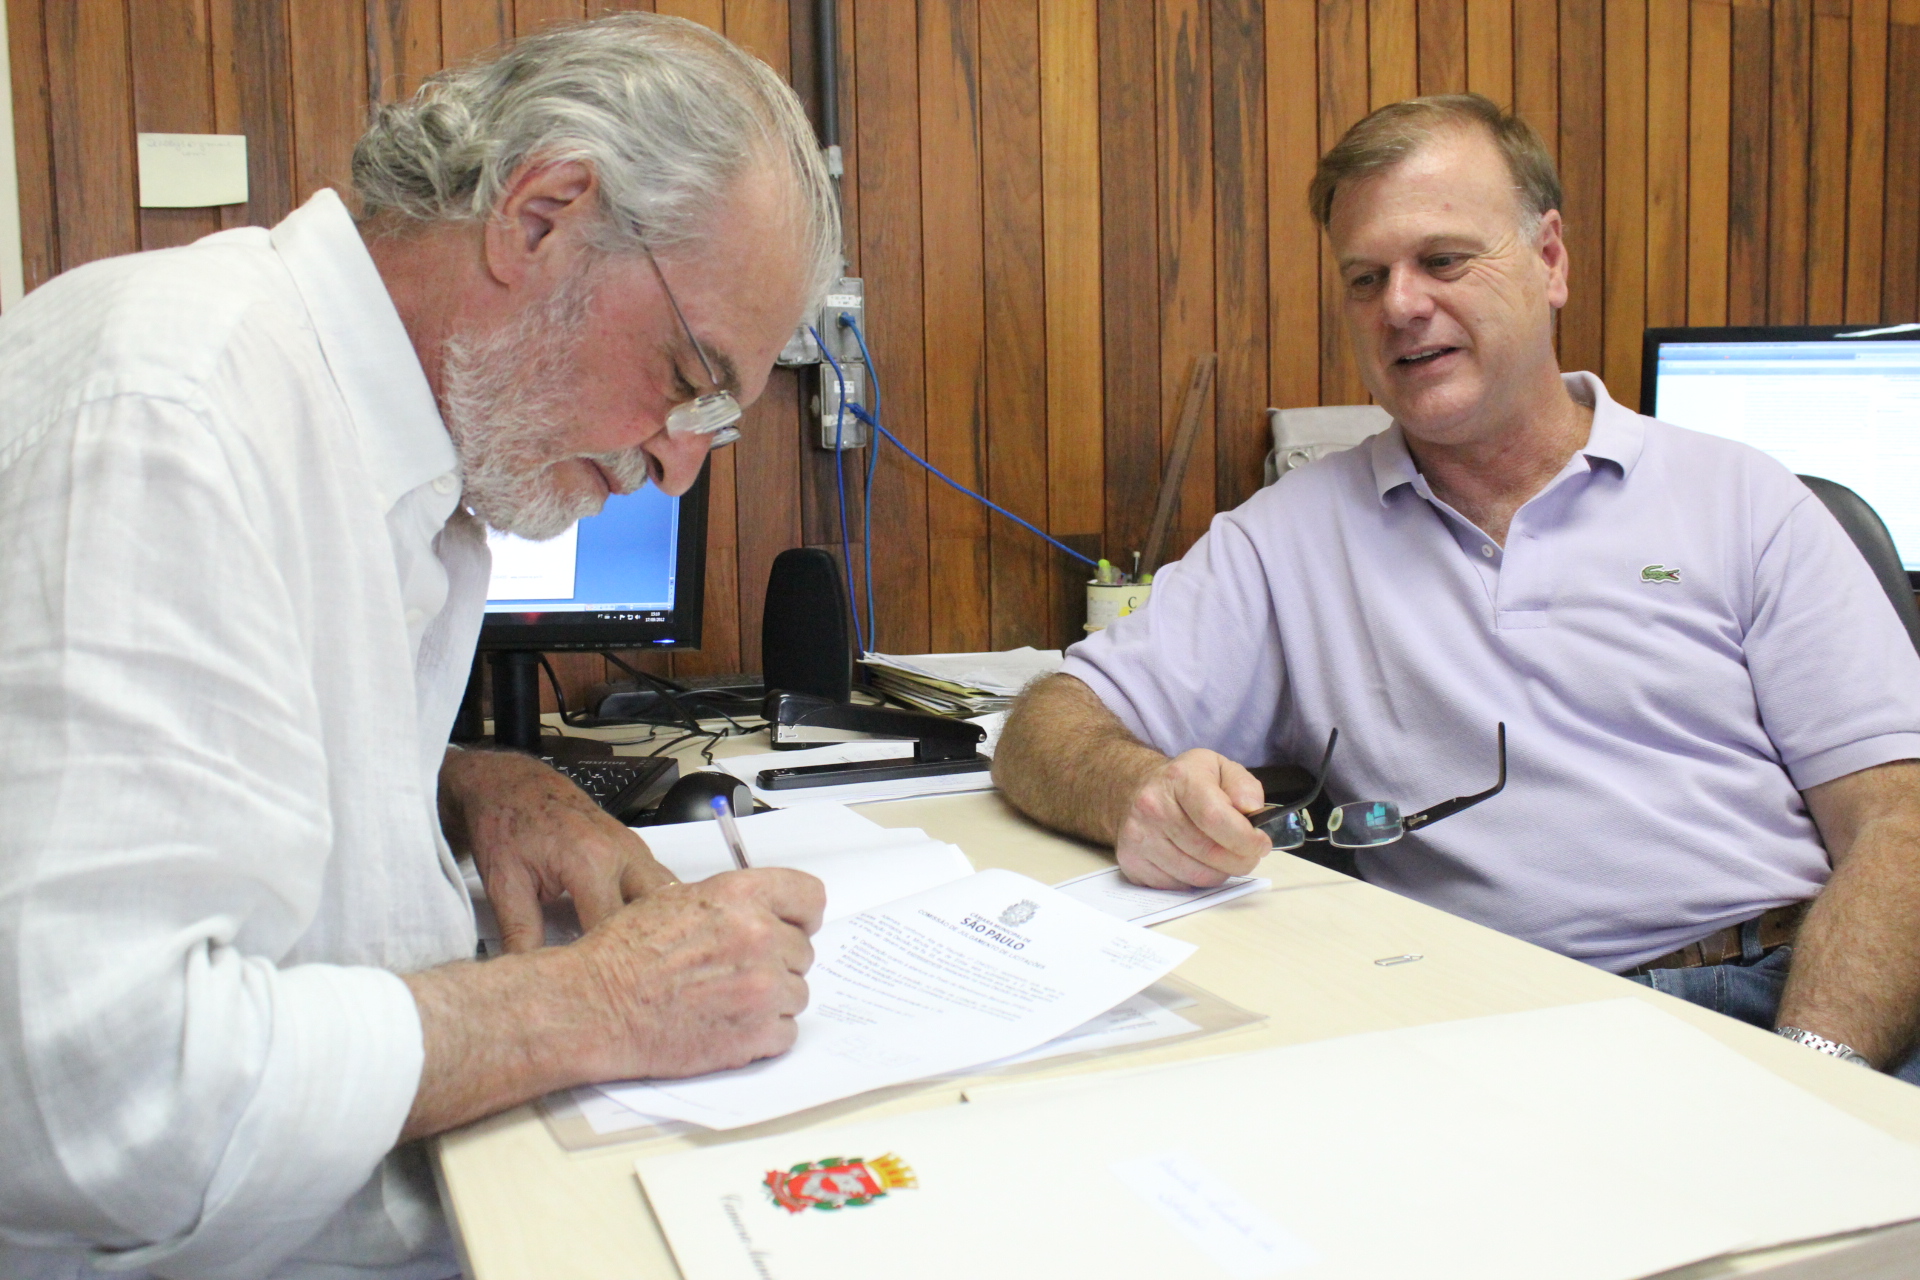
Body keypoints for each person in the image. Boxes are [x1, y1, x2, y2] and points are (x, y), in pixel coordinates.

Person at [0, 16, 838, 1278]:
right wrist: (600, 1001)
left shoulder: (407, 465)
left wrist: (468, 784)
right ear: (542, 214)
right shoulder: (175, 411)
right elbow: (91, 1097)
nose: (675, 465)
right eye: (689, 377)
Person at [994, 94, 1920, 1083]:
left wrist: (1817, 1078)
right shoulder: (1291, 538)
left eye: (1443, 259)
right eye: (1366, 277)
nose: (1400, 304)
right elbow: (1045, 726)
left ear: (1551, 261)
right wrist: (1137, 790)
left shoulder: (1743, 499)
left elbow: (1898, 822)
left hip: (1772, 998)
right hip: (1483, 1027)